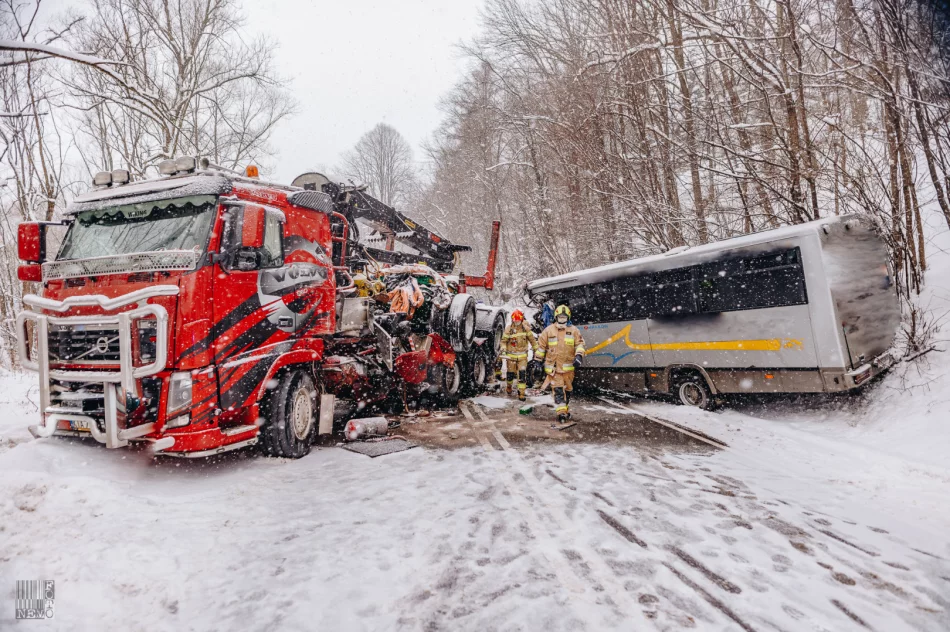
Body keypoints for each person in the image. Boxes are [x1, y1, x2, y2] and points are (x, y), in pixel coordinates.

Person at [535, 305, 585, 423]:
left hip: (568, 369)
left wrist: (579, 356)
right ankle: (561, 413)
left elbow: (580, 345)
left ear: (568, 317)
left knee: (568, 390)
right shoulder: (548, 330)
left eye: (564, 317)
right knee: (558, 391)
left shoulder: (574, 331)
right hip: (554, 369)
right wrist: (537, 361)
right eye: (560, 317)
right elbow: (541, 347)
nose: (562, 319)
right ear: (556, 317)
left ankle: (565, 409)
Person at [500, 310, 537, 401]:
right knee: (510, 374)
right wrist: (503, 349)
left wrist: (537, 351)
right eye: (515, 321)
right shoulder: (509, 329)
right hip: (511, 356)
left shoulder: (526, 329)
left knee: (522, 374)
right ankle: (509, 386)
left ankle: (521, 393)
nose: (517, 322)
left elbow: (532, 341)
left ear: (521, 320)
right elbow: (503, 341)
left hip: (522, 357)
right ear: (512, 320)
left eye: (518, 321)